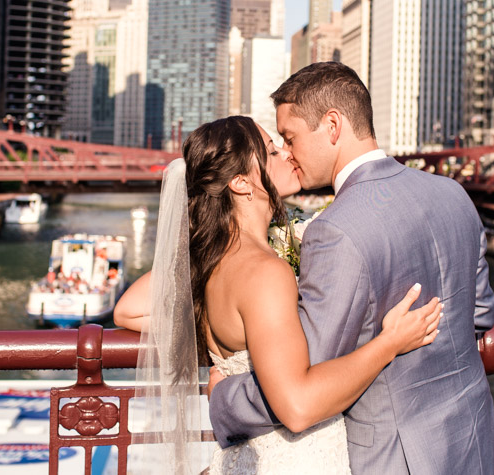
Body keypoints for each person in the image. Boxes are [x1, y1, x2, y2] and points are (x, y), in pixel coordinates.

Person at [209, 62, 494, 474]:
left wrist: (226, 398)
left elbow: (305, 380)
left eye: (290, 137)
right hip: (472, 441)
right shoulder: (453, 194)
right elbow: (480, 316)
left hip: (396, 457)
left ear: (332, 125)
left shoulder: (335, 230)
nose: (287, 152)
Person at [114, 115, 443, 473]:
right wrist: (390, 342)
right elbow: (298, 407)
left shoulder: (209, 263)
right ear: (241, 183)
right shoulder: (265, 272)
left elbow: (128, 310)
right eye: (271, 151)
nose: (287, 154)